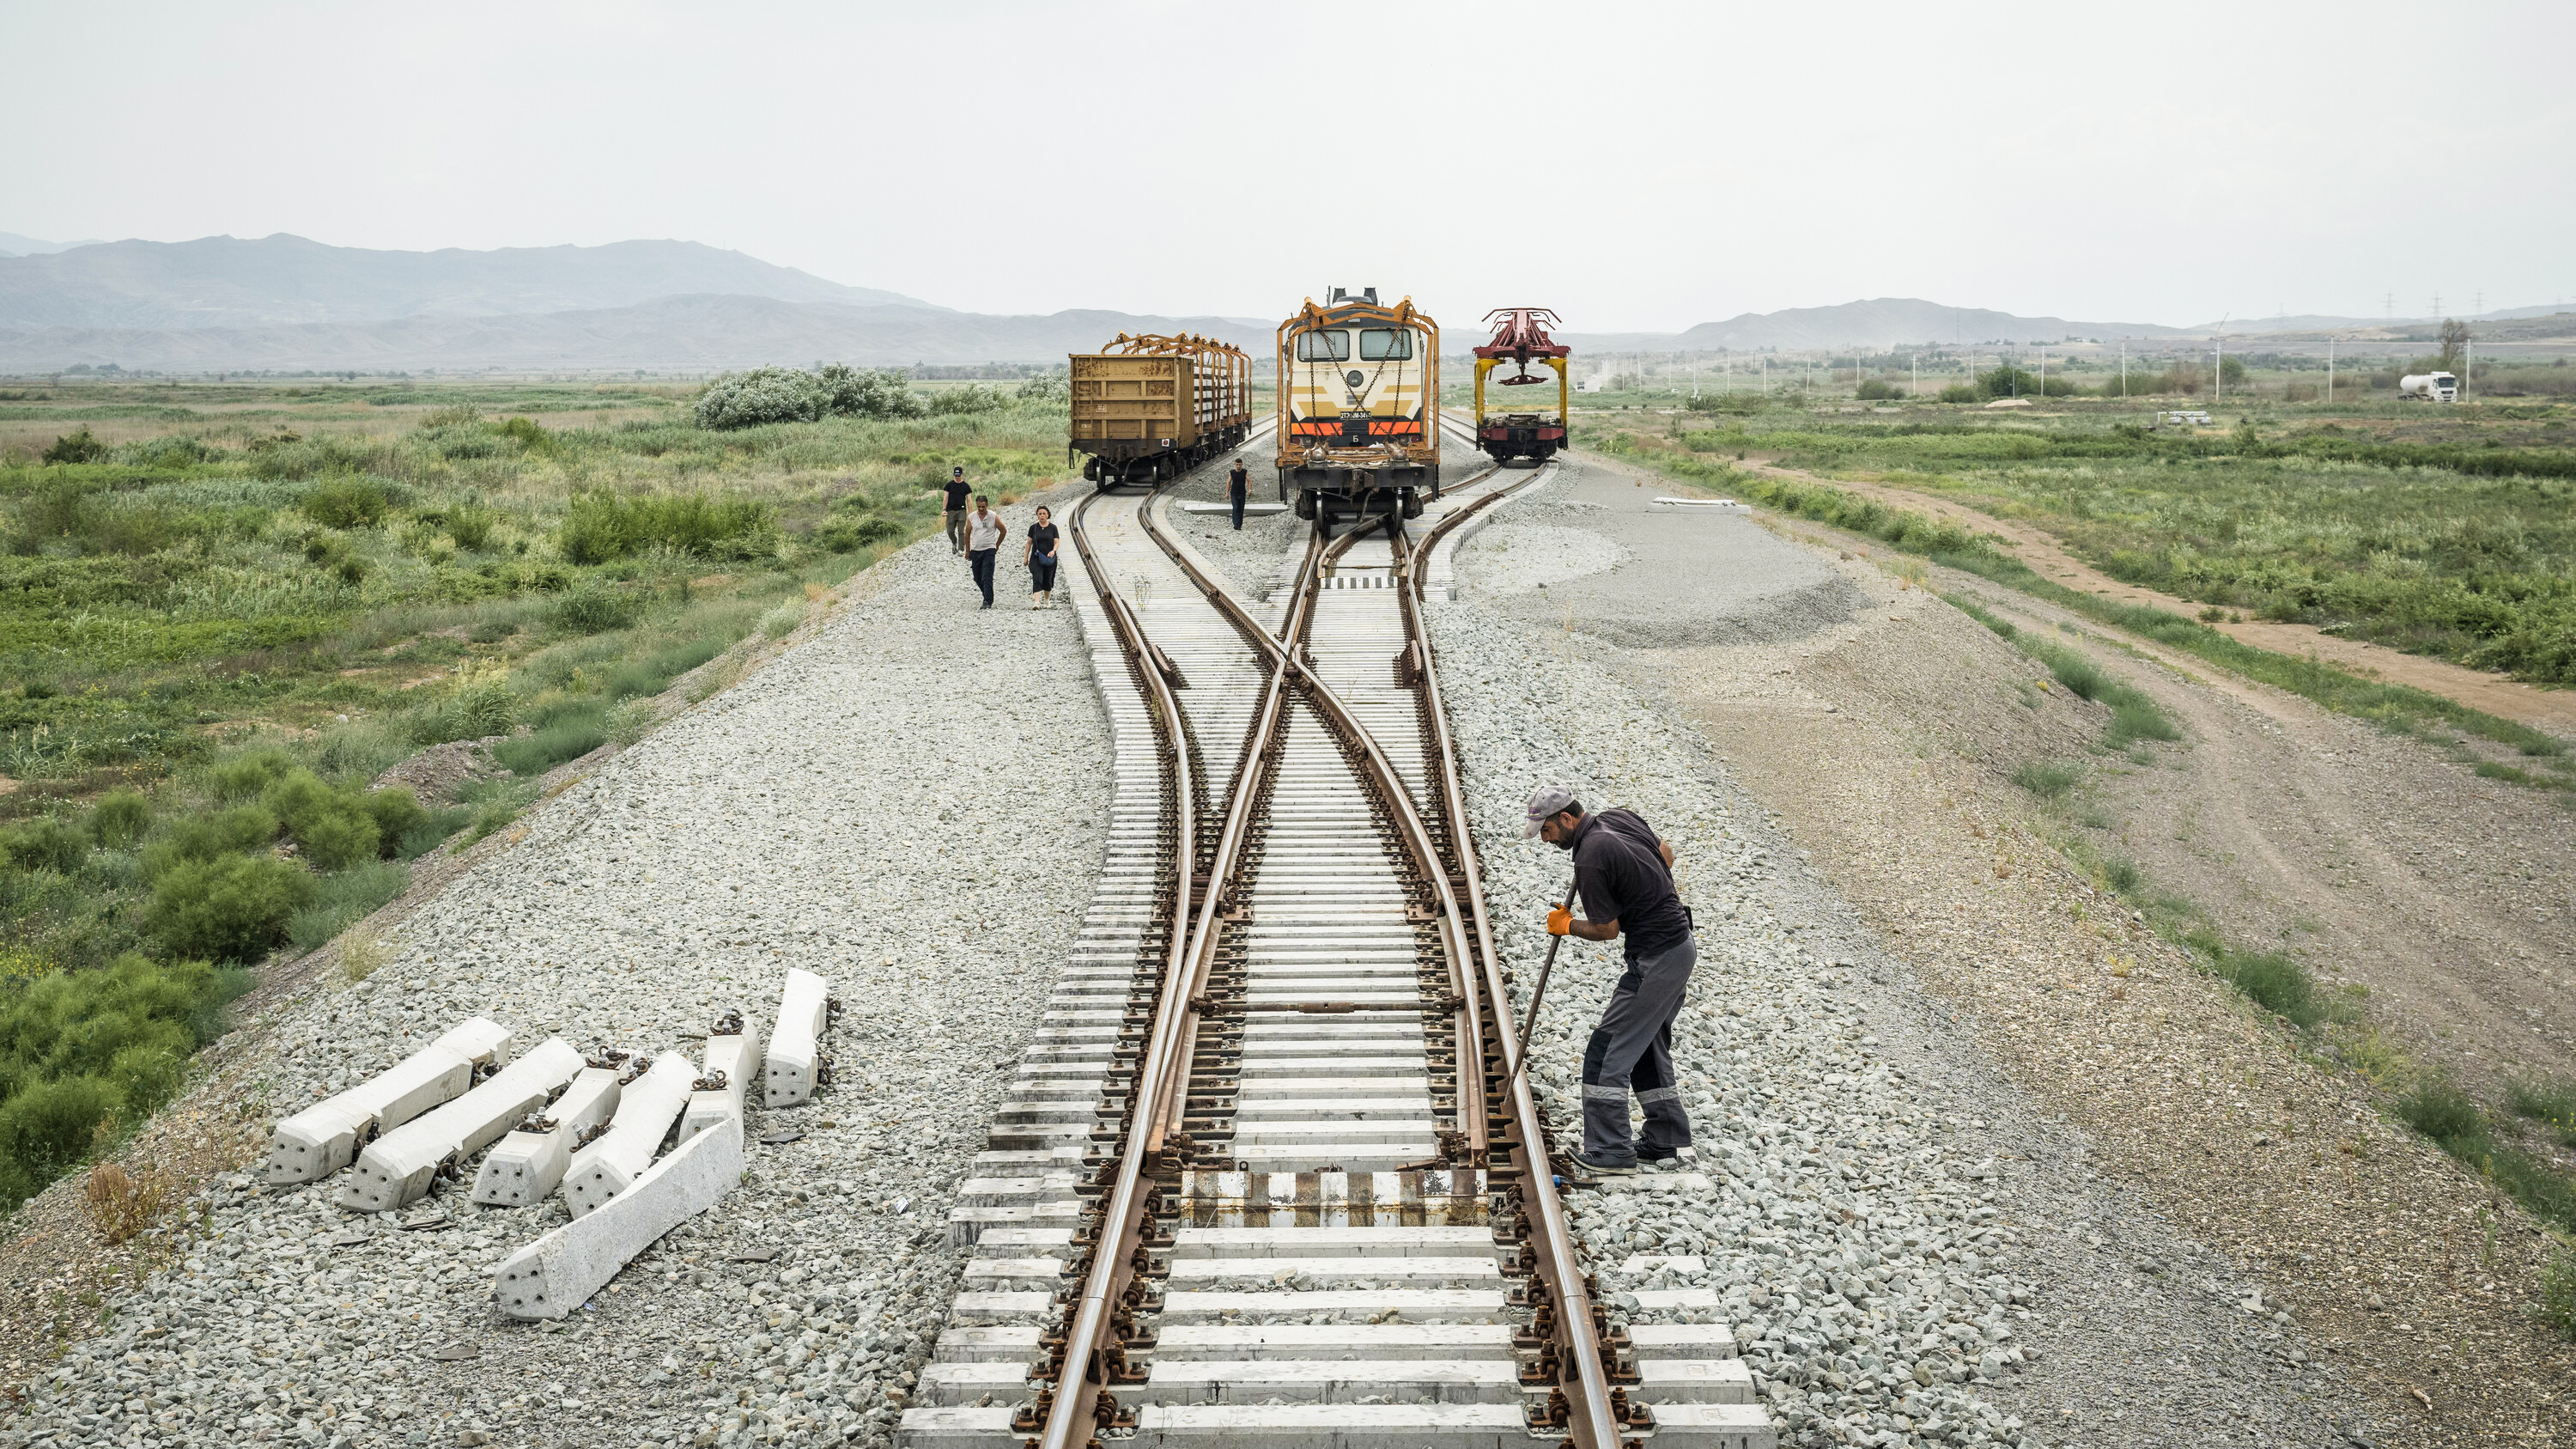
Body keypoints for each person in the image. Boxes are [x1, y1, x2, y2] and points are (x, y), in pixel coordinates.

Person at [1527, 786, 1695, 1177]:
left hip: (1656, 959)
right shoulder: (1619, 817)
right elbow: (1664, 854)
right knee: (1647, 1044)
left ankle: (1611, 1151)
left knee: (1607, 1050)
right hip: (1679, 945)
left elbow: (1606, 930)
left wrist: (1567, 925)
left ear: (1567, 819)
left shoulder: (1590, 857)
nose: (1547, 840)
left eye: (1548, 831)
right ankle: (1664, 1137)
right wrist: (1645, 892)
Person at [964, 495, 1008, 610]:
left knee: (987, 576)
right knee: (977, 577)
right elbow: (967, 533)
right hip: (975, 550)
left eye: (983, 507)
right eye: (979, 507)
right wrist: (967, 550)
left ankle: (987, 601)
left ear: (987, 505)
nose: (981, 509)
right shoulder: (972, 517)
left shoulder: (993, 516)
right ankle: (987, 594)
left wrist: (997, 545)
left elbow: (1003, 530)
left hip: (989, 549)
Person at [1024, 505, 1060, 609]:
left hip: (1050, 557)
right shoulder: (1033, 528)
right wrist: (1026, 557)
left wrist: (1053, 551)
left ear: (1048, 515)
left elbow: (1057, 542)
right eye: (1040, 514)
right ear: (1037, 515)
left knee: (1048, 579)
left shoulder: (1053, 528)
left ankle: (1047, 600)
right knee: (1037, 578)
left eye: (1044, 514)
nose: (1042, 516)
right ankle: (1036, 602)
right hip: (1036, 557)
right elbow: (1028, 543)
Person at [939, 467, 972, 555]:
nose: (957, 477)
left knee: (961, 531)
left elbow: (969, 500)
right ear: (954, 475)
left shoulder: (966, 486)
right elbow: (945, 498)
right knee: (950, 531)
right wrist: (944, 509)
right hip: (951, 511)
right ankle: (954, 542)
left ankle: (961, 549)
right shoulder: (949, 485)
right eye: (956, 475)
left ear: (962, 474)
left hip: (961, 511)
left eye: (959, 475)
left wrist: (971, 513)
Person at [1226, 457, 1249, 531]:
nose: (1238, 466)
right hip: (1234, 493)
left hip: (1242, 493)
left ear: (1242, 464)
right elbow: (1229, 482)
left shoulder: (1245, 472)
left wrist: (1250, 490)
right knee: (1235, 508)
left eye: (1239, 465)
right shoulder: (1231, 472)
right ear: (1235, 465)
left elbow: (1249, 481)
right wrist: (1227, 492)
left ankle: (1239, 525)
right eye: (1237, 465)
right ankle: (1235, 524)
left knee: (1241, 509)